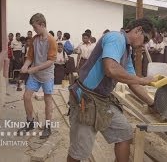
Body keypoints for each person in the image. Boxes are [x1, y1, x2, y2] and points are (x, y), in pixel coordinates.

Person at [67, 18, 157, 162]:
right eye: (145, 39)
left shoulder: (126, 50)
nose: (144, 45)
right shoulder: (116, 38)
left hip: (102, 100)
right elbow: (111, 69)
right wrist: (143, 79)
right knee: (80, 150)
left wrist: (152, 104)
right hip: (86, 99)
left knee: (124, 133)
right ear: (138, 30)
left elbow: (132, 82)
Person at [18, 13, 57, 139]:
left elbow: (51, 61)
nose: (34, 30)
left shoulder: (51, 41)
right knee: (26, 96)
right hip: (35, 75)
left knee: (48, 100)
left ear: (42, 25)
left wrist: (34, 68)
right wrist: (25, 65)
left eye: (35, 27)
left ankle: (48, 126)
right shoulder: (35, 40)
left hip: (47, 76)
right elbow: (30, 57)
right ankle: (30, 122)